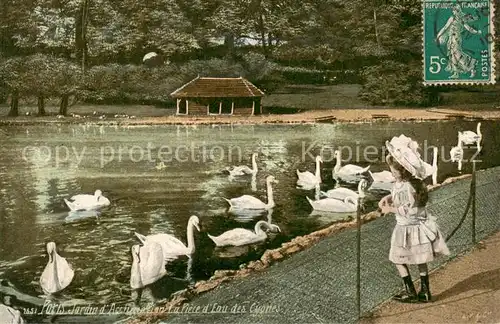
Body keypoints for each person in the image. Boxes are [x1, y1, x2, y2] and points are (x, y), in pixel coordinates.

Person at [379, 135, 450, 303]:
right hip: (416, 228)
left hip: (406, 228)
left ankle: (410, 290)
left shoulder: (408, 187)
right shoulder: (408, 185)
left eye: (392, 169)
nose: (391, 171)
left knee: (397, 259)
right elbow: (401, 196)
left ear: (401, 171)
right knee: (420, 259)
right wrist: (388, 197)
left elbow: (409, 210)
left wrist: (389, 208)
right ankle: (425, 291)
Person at [436, 3, 482, 79]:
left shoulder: (462, 19)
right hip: (451, 39)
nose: (454, 12)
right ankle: (456, 73)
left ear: (459, 11)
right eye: (454, 10)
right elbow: (445, 28)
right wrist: (438, 36)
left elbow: (469, 28)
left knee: (457, 54)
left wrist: (477, 32)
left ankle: (472, 65)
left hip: (457, 39)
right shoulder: (452, 18)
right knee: (452, 55)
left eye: (456, 10)